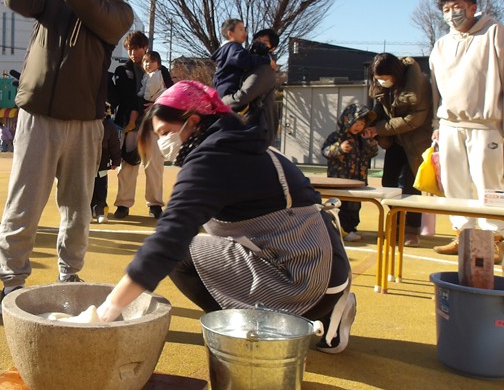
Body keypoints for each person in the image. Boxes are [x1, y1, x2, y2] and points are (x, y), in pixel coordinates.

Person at [92, 81, 356, 354]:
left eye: (166, 132)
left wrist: (108, 308)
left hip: (304, 282)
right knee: (211, 243)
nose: (163, 144)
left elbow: (168, 241)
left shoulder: (211, 159)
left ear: (193, 121)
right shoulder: (243, 141)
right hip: (330, 269)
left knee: (183, 255)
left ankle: (245, 331)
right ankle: (329, 312)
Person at [0, 0, 135, 308]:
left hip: (87, 121)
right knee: (24, 202)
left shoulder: (120, 13)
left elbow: (90, 8)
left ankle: (69, 273)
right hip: (38, 114)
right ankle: (11, 280)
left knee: (77, 208)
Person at [429, 0, 504, 255]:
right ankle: (462, 233)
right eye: (446, 9)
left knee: (489, 183)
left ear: (473, 7)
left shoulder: (494, 31)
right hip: (449, 124)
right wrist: (436, 125)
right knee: (454, 182)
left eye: (458, 7)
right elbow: (435, 88)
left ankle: (495, 239)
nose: (452, 14)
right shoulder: (441, 44)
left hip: (486, 123)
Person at [365, 53, 432, 246]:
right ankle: (396, 223)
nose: (382, 82)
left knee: (410, 186)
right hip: (395, 141)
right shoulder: (382, 86)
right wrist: (368, 121)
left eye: (385, 78)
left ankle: (412, 229)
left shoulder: (418, 84)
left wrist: (379, 128)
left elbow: (414, 120)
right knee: (388, 182)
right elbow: (380, 107)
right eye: (378, 78)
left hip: (416, 141)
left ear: (395, 73)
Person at [111, 31, 166, 220]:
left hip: (154, 124)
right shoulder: (121, 71)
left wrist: (158, 104)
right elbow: (125, 97)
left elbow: (171, 91)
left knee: (154, 164)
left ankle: (155, 204)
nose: (133, 53)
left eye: (137, 48)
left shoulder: (161, 69)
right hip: (130, 124)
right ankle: (123, 204)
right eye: (130, 49)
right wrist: (142, 105)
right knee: (127, 165)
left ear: (145, 48)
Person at [212, 22, 279, 146]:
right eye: (257, 40)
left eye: (264, 42)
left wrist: (219, 103)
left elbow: (242, 97)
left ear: (272, 48)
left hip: (256, 129)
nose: (259, 44)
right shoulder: (251, 62)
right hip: (248, 126)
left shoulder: (264, 67)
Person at [321, 103, 379, 241]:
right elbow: (325, 151)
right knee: (339, 205)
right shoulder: (336, 136)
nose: (358, 126)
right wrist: (339, 148)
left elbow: (373, 152)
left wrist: (368, 141)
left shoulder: (362, 139)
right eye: (356, 123)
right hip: (339, 180)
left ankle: (350, 228)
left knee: (354, 205)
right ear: (347, 120)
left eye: (362, 124)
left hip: (357, 180)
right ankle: (339, 229)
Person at [91, 113, 121, 224]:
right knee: (86, 189)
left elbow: (114, 144)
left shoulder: (110, 127)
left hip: (102, 162)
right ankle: (87, 212)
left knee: (101, 188)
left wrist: (116, 160)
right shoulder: (85, 124)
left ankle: (100, 212)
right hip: (86, 162)